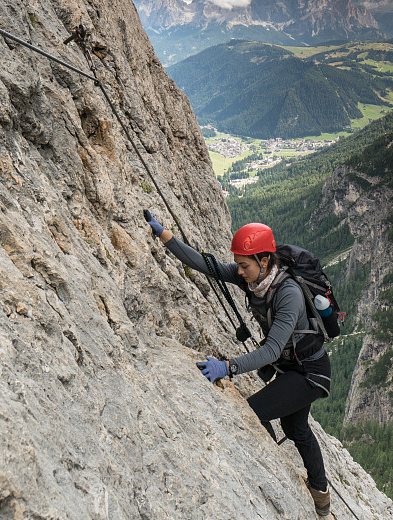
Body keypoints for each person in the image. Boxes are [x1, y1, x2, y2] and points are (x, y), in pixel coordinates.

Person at [144, 213, 336, 520]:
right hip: (295, 367)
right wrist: (165, 236)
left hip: (310, 373)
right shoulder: (256, 278)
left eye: (244, 264)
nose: (240, 271)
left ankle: (277, 474)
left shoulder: (287, 294)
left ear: (263, 260)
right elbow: (210, 267)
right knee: (295, 427)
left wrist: (227, 367)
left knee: (254, 413)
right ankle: (321, 496)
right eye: (240, 264)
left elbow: (272, 348)